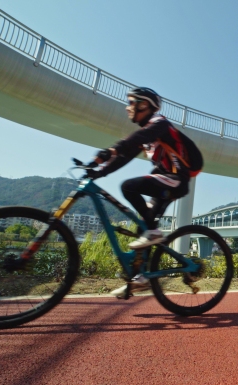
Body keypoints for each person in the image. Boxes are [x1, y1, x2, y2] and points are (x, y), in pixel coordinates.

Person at [89, 87, 193, 296]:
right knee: (142, 228)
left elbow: (139, 137)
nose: (127, 108)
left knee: (128, 186)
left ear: (144, 105)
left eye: (131, 103)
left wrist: (111, 149)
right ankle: (140, 278)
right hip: (165, 182)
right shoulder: (147, 138)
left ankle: (153, 235)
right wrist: (99, 173)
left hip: (176, 180)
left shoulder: (160, 124)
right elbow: (125, 156)